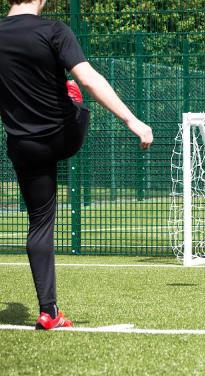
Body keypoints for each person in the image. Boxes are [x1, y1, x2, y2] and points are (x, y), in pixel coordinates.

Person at [0, 0, 153, 330]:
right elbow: (88, 79)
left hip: (24, 144)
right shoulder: (54, 30)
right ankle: (50, 313)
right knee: (74, 96)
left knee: (39, 223)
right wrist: (132, 120)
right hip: (64, 134)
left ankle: (48, 309)